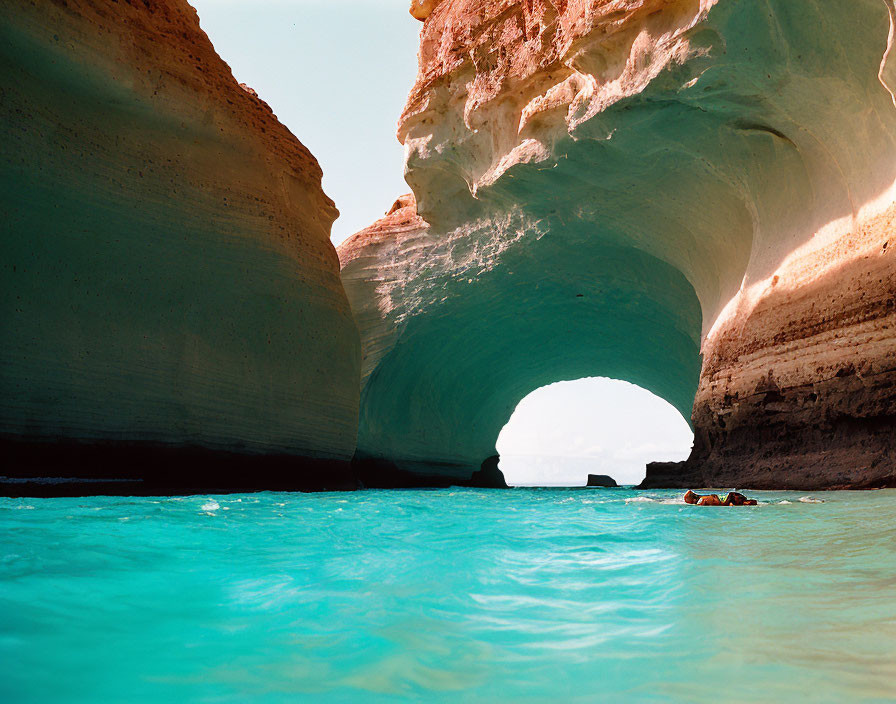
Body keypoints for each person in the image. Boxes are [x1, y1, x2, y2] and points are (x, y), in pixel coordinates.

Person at [684, 490, 757, 506]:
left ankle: (694, 495)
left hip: (730, 497)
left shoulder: (702, 500)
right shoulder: (703, 498)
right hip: (729, 497)